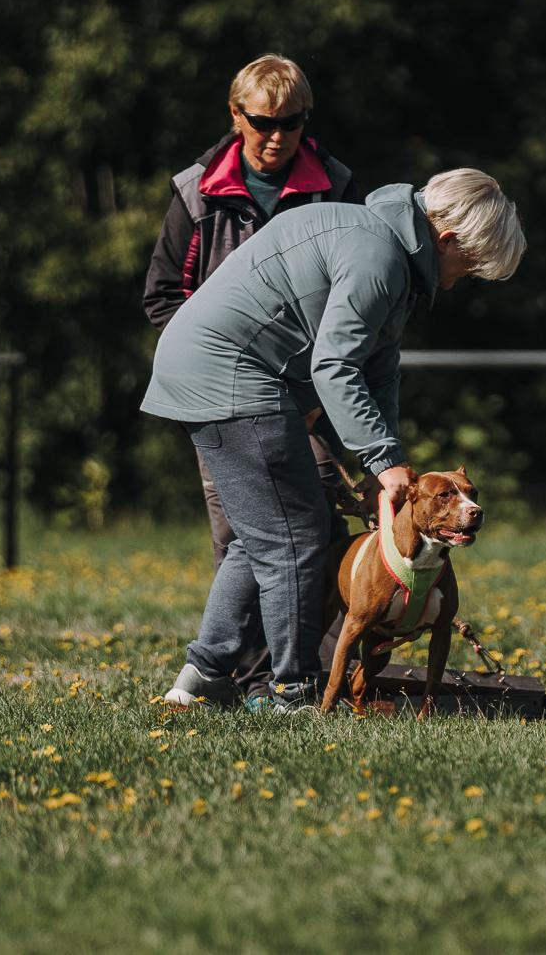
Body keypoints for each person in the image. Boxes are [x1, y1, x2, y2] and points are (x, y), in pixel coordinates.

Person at [144, 168, 526, 711]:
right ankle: (290, 692)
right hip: (228, 372)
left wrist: (384, 469)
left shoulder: (384, 247)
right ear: (446, 239)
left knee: (270, 532)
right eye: (469, 266)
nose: (462, 280)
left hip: (219, 368)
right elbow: (335, 366)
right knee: (295, 536)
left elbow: (380, 372)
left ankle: (202, 674)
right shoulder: (379, 258)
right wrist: (383, 460)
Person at [143, 53, 361, 701]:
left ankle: (310, 674)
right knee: (245, 532)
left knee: (318, 528)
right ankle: (244, 678)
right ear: (236, 116)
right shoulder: (197, 194)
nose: (276, 136)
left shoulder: (334, 186)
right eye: (264, 121)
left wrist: (318, 393)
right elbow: (161, 298)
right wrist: (221, 358)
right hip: (225, 389)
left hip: (309, 393)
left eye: (291, 122)